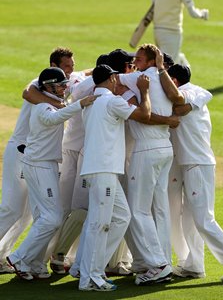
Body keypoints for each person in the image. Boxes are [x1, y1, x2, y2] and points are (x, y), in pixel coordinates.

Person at [155, 53, 223, 282]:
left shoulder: (186, 94)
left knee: (202, 218)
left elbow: (180, 105)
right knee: (187, 219)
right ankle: (194, 264)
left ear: (174, 82)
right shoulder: (196, 91)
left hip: (198, 163)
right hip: (189, 163)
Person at [6, 67, 96, 281]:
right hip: (38, 166)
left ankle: (34, 264)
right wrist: (79, 104)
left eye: (66, 84)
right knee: (52, 218)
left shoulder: (50, 102)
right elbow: (54, 119)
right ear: (48, 86)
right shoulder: (42, 106)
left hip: (45, 165)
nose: (65, 87)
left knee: (42, 217)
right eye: (60, 84)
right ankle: (18, 257)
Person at [69, 64, 151, 292]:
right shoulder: (112, 101)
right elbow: (144, 115)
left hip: (101, 169)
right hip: (103, 169)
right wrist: (144, 91)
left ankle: (87, 268)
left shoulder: (92, 102)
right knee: (99, 223)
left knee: (121, 217)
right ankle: (90, 278)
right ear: (112, 78)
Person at [0, 47, 73, 274]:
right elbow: (27, 93)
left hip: (35, 154)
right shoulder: (40, 82)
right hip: (22, 151)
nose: (70, 72)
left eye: (72, 67)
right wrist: (62, 107)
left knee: (28, 215)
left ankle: (5, 256)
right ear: (53, 65)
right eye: (66, 67)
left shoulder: (63, 84)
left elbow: (87, 74)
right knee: (12, 207)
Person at [118, 44, 183, 286]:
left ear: (148, 61)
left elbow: (110, 79)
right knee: (159, 209)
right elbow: (177, 99)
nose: (135, 63)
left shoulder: (139, 77)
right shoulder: (162, 78)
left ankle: (157, 264)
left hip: (146, 149)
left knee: (138, 210)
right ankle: (161, 259)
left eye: (139, 59)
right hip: (166, 148)